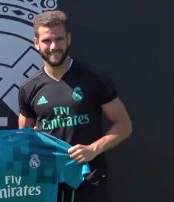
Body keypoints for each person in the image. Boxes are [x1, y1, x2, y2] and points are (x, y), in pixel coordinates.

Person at [18, 10, 132, 202]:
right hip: (48, 184)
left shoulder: (94, 78)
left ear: (68, 39)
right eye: (46, 41)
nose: (54, 46)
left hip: (88, 181)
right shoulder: (29, 88)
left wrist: (93, 149)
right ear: (36, 43)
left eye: (59, 39)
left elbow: (124, 125)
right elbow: (23, 139)